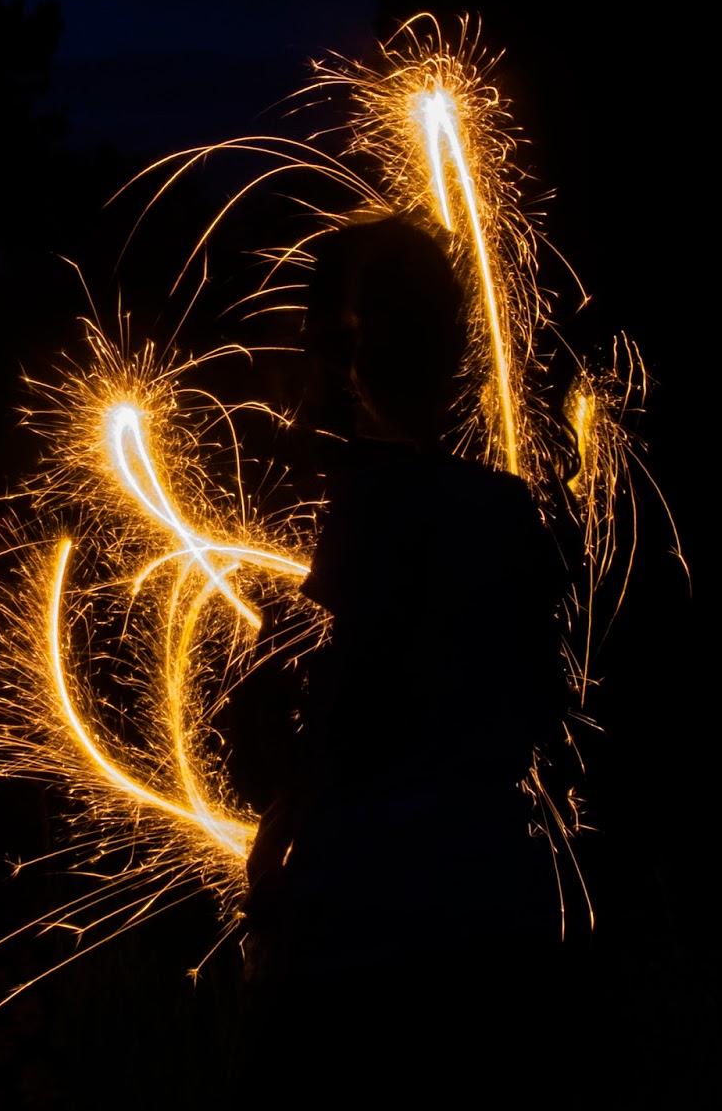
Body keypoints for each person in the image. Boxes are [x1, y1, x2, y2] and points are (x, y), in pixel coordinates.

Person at [241, 217, 567, 1085]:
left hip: (366, 917)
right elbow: (546, 703)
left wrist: (280, 838)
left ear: (353, 354)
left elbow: (332, 709)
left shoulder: (366, 514)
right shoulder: (510, 508)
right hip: (499, 904)